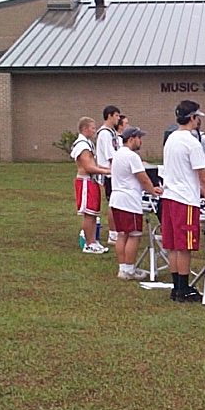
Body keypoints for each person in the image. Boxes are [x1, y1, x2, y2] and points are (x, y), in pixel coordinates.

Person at [161, 100, 205, 303]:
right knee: (184, 246)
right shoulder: (192, 143)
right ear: (192, 118)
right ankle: (184, 289)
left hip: (169, 197)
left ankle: (176, 287)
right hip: (184, 199)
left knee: (172, 245)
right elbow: (202, 175)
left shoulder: (171, 139)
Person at [110, 126, 163, 280]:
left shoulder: (118, 154)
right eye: (139, 138)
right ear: (131, 139)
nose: (141, 141)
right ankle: (129, 269)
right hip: (129, 201)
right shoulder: (132, 156)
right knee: (134, 235)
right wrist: (153, 191)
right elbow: (143, 178)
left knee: (122, 234)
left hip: (116, 199)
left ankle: (123, 268)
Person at [70, 117, 112, 254]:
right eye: (93, 128)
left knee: (93, 214)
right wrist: (107, 171)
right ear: (85, 129)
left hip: (91, 182)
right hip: (85, 182)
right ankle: (89, 244)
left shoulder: (88, 144)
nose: (94, 131)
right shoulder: (82, 145)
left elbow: (94, 164)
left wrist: (108, 169)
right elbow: (88, 167)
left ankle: (93, 241)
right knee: (88, 214)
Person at [96, 105, 121, 245]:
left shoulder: (111, 132)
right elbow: (110, 155)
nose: (118, 118)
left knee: (116, 202)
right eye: (116, 115)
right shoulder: (105, 133)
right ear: (110, 115)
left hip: (114, 172)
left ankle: (117, 230)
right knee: (113, 202)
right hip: (109, 174)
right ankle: (113, 234)